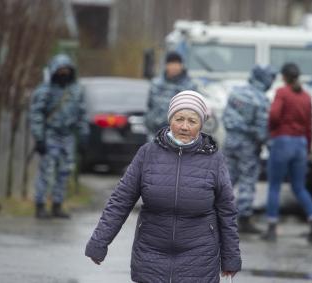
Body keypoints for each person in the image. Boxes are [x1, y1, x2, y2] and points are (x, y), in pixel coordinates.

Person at [85, 90, 241, 282]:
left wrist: (231, 257)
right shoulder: (148, 154)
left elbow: (227, 211)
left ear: (201, 124)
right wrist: (99, 242)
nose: (184, 126)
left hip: (199, 258)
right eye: (179, 119)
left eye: (192, 121)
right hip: (151, 254)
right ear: (170, 119)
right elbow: (120, 201)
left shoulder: (214, 160)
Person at [262, 63, 312, 242]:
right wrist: (308, 147)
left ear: (284, 77)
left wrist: (272, 132)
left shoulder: (282, 92)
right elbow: (310, 126)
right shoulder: (306, 97)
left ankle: (272, 227)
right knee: (299, 187)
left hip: (282, 141)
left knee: (274, 186)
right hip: (301, 144)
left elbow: (273, 115)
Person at [29, 54, 89, 219]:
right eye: (60, 70)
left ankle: (57, 204)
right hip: (50, 134)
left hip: (68, 136)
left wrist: (84, 135)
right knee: (46, 172)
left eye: (66, 70)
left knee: (65, 171)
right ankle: (40, 204)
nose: (64, 73)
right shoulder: (44, 91)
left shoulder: (76, 90)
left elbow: (82, 114)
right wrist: (39, 138)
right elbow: (36, 115)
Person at [222, 65, 275, 233]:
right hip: (248, 146)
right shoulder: (261, 100)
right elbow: (261, 130)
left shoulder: (236, 92)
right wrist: (270, 145)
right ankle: (243, 218)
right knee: (247, 179)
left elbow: (227, 117)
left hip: (230, 141)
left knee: (227, 178)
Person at [144, 51, 197, 137]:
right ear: (166, 66)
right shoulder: (156, 84)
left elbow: (193, 112)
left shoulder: (189, 86)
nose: (174, 67)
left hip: (179, 135)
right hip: (155, 133)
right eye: (171, 64)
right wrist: (149, 122)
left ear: (181, 66)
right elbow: (150, 106)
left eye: (177, 64)